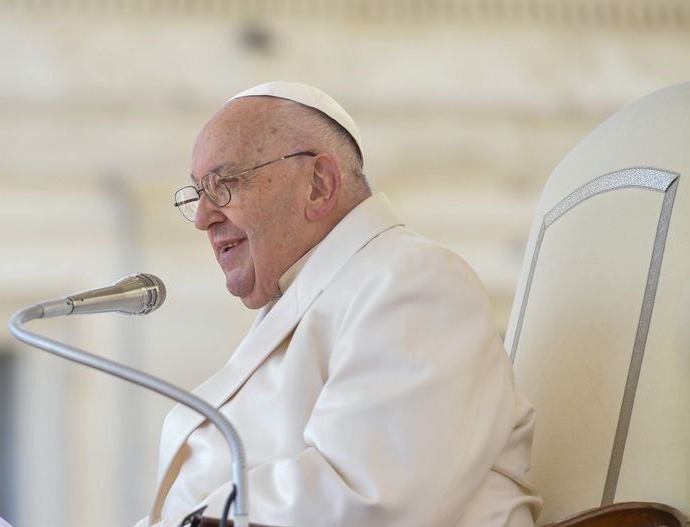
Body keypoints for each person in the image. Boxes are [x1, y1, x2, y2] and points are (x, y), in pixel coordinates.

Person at [135, 81, 542, 527]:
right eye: (198, 192)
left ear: (318, 185)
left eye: (225, 183)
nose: (202, 217)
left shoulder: (414, 278)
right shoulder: (310, 292)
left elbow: (369, 498)